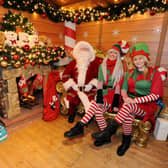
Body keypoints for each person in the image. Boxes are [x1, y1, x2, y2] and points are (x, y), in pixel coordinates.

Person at [91, 43, 164, 156]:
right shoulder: (130, 73)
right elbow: (123, 88)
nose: (138, 61)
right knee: (128, 115)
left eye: (140, 59)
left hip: (146, 106)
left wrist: (134, 101)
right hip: (129, 103)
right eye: (135, 59)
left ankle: (108, 132)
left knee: (128, 107)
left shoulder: (154, 73)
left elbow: (155, 95)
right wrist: (125, 97)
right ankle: (126, 141)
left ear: (145, 59)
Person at [64, 40, 129, 147]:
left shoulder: (121, 68)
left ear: (118, 55)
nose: (112, 55)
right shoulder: (103, 65)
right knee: (98, 112)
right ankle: (105, 136)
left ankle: (79, 127)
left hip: (114, 95)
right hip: (103, 93)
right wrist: (99, 96)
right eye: (111, 52)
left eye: (115, 53)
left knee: (94, 105)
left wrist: (115, 103)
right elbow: (99, 83)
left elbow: (119, 86)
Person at [62, 41, 102, 123]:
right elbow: (65, 74)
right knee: (71, 100)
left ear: (90, 53)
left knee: (90, 101)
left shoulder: (94, 64)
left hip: (88, 89)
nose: (83, 55)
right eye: (81, 52)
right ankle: (71, 114)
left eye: (86, 52)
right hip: (75, 87)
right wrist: (72, 84)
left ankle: (88, 117)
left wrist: (91, 85)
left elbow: (99, 77)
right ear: (78, 53)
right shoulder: (73, 63)